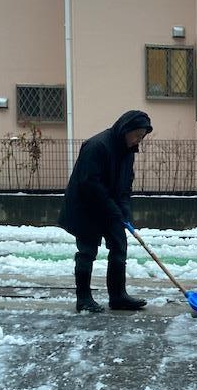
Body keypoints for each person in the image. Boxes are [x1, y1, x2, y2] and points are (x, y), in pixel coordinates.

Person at [59, 110, 153, 312]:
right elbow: (89, 184)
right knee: (87, 252)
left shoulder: (128, 151)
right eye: (136, 135)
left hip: (111, 208)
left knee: (119, 247)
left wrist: (124, 211)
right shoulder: (97, 146)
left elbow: (125, 184)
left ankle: (118, 296)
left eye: (142, 136)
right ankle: (83, 299)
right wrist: (114, 210)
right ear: (125, 129)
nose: (138, 140)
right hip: (86, 208)